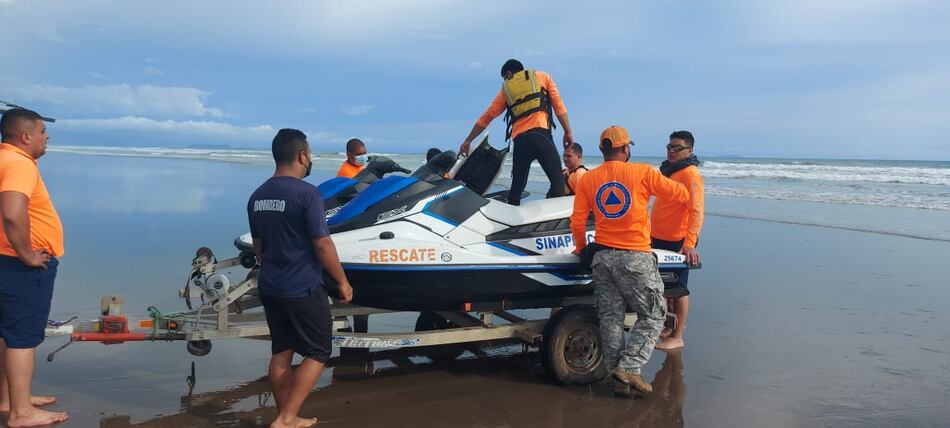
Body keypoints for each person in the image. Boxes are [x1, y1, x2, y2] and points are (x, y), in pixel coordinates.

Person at [570, 125, 688, 396]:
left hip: (602, 258)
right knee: (654, 314)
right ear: (625, 149)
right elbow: (680, 194)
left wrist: (581, 248)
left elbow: (577, 221)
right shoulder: (642, 172)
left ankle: (619, 383)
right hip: (635, 256)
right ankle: (630, 367)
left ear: (602, 150)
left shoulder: (588, 179)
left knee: (610, 319)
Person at [247, 128, 354, 428]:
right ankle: (285, 419)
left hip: (271, 285)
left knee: (282, 351)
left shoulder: (257, 197)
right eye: (310, 154)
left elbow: (259, 248)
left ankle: (288, 416)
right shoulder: (307, 194)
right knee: (319, 351)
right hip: (302, 287)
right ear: (302, 155)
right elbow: (322, 243)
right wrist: (342, 281)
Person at [0, 108, 68, 427]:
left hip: (4, 259)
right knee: (22, 338)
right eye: (42, 131)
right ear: (26, 136)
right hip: (17, 265)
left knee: (6, 332)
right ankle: (21, 413)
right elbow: (12, 213)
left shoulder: (4, 158)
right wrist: (27, 255)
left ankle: (10, 399)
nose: (47, 136)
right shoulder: (19, 163)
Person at [460, 59, 574, 205]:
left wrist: (468, 140)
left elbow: (487, 116)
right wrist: (567, 131)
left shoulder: (506, 89)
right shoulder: (542, 76)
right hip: (540, 136)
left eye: (504, 78)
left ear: (508, 73)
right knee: (557, 179)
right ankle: (555, 213)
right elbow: (559, 106)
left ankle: (511, 213)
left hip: (520, 142)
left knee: (517, 187)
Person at [651, 131, 703, 350]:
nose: (671, 151)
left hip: (678, 242)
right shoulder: (669, 171)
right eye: (669, 147)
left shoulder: (690, 174)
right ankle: (669, 327)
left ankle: (678, 335)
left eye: (677, 148)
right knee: (663, 287)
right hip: (657, 237)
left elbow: (696, 211)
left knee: (679, 289)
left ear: (689, 150)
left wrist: (689, 243)